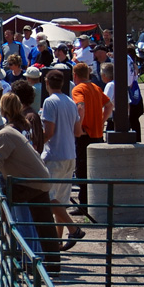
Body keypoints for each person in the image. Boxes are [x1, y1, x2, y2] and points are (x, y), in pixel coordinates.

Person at [0, 106, 63, 270]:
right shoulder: (7, 132)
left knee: (12, 211)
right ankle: (51, 264)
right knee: (44, 224)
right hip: (38, 179)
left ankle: (17, 251)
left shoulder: (4, 135)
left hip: (29, 182)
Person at [40, 69, 85, 248]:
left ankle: (73, 229)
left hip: (55, 155)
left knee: (49, 200)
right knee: (60, 200)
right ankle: (56, 243)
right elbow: (78, 131)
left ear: (47, 83)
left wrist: (36, 144)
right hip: (69, 154)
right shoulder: (70, 101)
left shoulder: (50, 102)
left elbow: (49, 132)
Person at [71, 62, 111, 211]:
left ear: (75, 75)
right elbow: (109, 105)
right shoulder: (96, 88)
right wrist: (101, 121)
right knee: (94, 170)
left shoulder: (78, 89)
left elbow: (80, 107)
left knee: (82, 170)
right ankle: (93, 202)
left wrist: (78, 127)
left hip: (85, 135)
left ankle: (84, 205)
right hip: (97, 134)